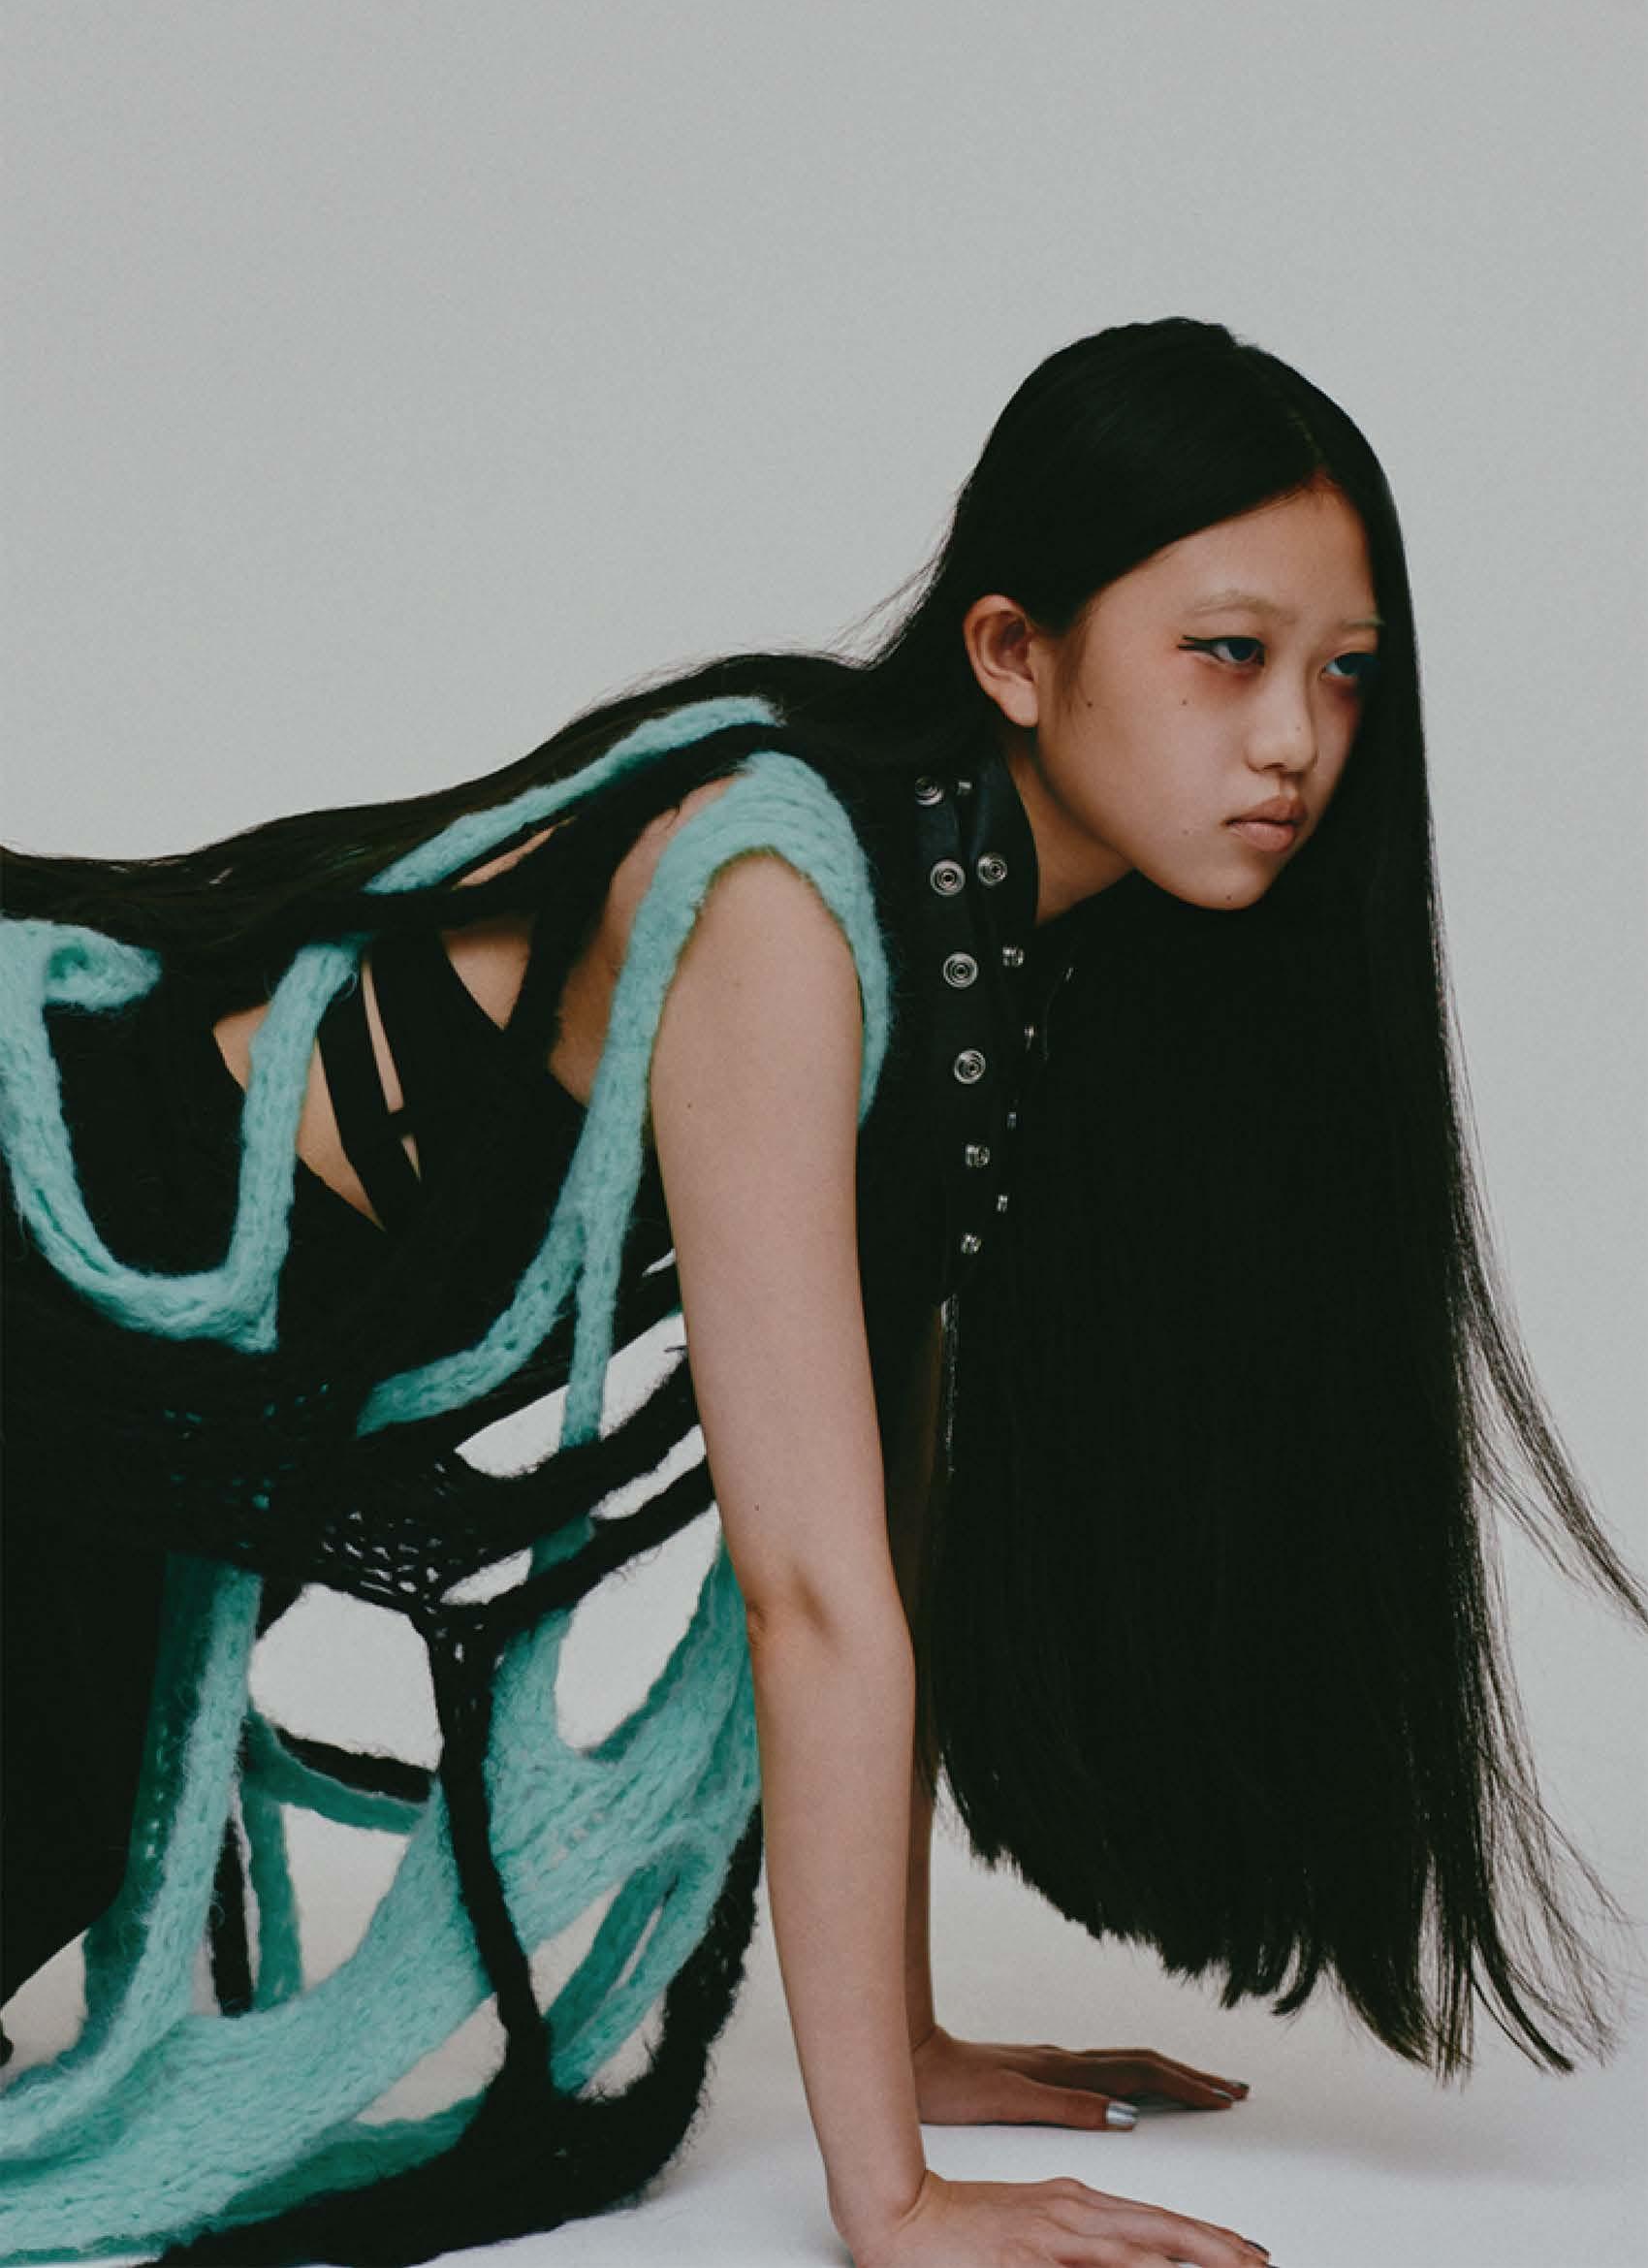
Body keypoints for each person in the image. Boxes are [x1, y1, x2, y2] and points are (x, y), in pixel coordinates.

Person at [1, 315, 1642, 2268]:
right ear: (1012, 653)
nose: (1293, 738)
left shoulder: (1005, 948)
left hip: (207, 1361)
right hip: (67, 1234)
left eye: (1345, 672)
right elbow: (810, 1591)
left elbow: (893, 1526)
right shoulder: (780, 895)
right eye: (1226, 652)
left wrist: (913, 2050)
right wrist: (894, 2199)